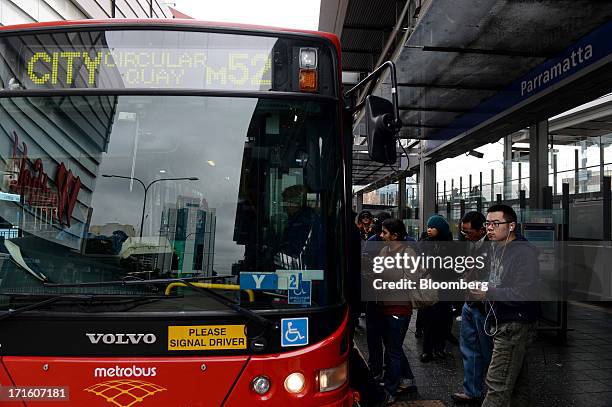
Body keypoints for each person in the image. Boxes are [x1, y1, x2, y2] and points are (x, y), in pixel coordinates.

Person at [470, 204, 539, 407]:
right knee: (517, 382)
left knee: (497, 382)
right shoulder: (497, 248)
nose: (489, 228)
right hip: (502, 319)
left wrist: (487, 292)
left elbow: (524, 293)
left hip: (514, 324)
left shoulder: (523, 253)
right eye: (487, 223)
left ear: (511, 226)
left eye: (495, 223)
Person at [452, 211, 494, 404]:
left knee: (487, 351)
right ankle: (472, 390)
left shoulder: (493, 245)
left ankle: (492, 392)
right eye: (463, 231)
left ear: (481, 229)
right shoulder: (471, 244)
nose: (465, 235)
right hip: (469, 303)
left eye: (469, 232)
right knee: (469, 349)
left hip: (484, 306)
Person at [378, 218, 417, 405]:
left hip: (400, 308)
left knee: (393, 349)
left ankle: (390, 389)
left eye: (385, 233)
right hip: (385, 306)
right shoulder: (385, 250)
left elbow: (411, 281)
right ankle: (407, 378)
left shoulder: (408, 253)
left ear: (395, 235)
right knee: (393, 346)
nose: (381, 235)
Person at [418, 215, 454, 363]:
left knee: (443, 319)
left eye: (433, 227)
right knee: (429, 319)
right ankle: (427, 350)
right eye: (428, 227)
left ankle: (440, 347)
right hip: (430, 286)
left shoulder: (450, 245)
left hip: (445, 286)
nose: (429, 230)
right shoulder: (425, 243)